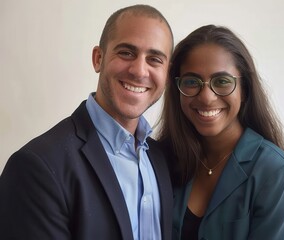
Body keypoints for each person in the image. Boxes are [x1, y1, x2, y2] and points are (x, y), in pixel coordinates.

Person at [0, 4, 174, 240]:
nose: (139, 71)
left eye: (154, 59)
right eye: (126, 53)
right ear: (98, 58)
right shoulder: (37, 166)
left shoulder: (161, 158)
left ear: (167, 73)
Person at [157, 25, 284, 240]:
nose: (206, 97)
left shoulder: (276, 172)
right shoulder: (161, 158)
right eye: (191, 82)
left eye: (222, 81)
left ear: (244, 89)